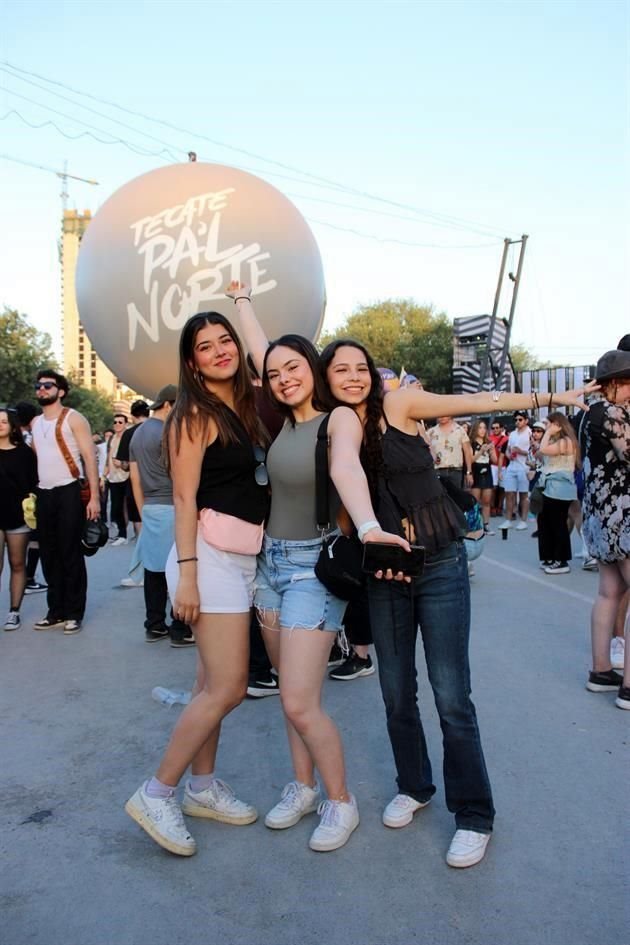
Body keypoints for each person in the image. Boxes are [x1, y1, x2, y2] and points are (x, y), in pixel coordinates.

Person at [318, 337, 595, 868]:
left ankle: (473, 814)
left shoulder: (399, 404)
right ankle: (415, 785)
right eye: (340, 370)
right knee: (396, 691)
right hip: (385, 570)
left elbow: (476, 402)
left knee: (451, 695)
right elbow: (342, 476)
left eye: (361, 368)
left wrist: (551, 398)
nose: (352, 377)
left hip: (439, 561)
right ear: (326, 378)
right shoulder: (335, 429)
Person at [231, 282, 401, 852]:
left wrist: (370, 523)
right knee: (288, 692)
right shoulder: (281, 424)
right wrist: (242, 305)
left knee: (301, 699)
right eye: (274, 373)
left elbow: (348, 470)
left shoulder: (338, 421)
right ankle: (301, 786)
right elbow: (262, 352)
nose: (283, 377)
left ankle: (340, 800)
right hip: (269, 568)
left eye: (293, 367)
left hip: (311, 568)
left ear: (314, 366)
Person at [125, 310, 269, 856]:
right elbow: (184, 498)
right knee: (230, 686)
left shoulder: (248, 404)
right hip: (209, 556)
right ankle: (156, 792)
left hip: (243, 552)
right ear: (192, 361)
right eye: (205, 347)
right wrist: (186, 575)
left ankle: (202, 789)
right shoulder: (193, 414)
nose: (219, 351)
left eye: (225, 340)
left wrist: (246, 304)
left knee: (209, 685)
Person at [30, 370, 100, 634]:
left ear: (60, 391)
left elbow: (89, 457)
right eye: (38, 386)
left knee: (70, 552)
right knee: (48, 553)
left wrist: (94, 496)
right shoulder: (36, 423)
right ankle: (55, 611)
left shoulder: (74, 418)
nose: (42, 389)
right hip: (44, 493)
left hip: (69, 490)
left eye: (48, 385)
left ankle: (74, 612)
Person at [128, 384, 194, 648]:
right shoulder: (170, 432)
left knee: (153, 570)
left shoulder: (136, 434)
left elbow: (135, 479)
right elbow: (182, 474)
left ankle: (154, 625)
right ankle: (180, 627)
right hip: (174, 506)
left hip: (151, 507)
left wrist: (143, 511)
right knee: (178, 569)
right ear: (168, 405)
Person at [581, 349, 630, 708]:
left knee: (607, 592)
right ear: (614, 384)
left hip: (598, 515)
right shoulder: (614, 413)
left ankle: (601, 671)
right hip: (624, 513)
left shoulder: (588, 414)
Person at [0, 406, 38, 630]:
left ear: (13, 425)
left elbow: (33, 484)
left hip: (18, 516)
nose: (0, 424)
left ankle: (14, 611)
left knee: (17, 563)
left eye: (4, 421)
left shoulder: (24, 453)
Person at [536, 412, 579, 574]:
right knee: (545, 522)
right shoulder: (558, 441)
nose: (546, 427)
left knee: (557, 523)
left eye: (549, 424)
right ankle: (549, 556)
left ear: (558, 425)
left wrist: (547, 433)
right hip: (550, 486)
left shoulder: (567, 442)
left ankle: (561, 560)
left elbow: (544, 450)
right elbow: (541, 455)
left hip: (561, 487)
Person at [498, 411, 531, 530]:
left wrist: (520, 451)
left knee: (523, 494)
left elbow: (533, 452)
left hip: (524, 467)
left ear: (526, 420)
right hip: (512, 466)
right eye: (516, 420)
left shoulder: (530, 433)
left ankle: (523, 520)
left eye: (520, 419)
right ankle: (508, 520)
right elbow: (507, 450)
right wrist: (509, 455)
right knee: (509, 493)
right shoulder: (512, 434)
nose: (517, 422)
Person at [427, 415, 473, 490]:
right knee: (438, 499)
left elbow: (467, 452)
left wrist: (469, 472)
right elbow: (425, 450)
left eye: (444, 413)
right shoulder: (430, 432)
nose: (442, 416)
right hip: (437, 472)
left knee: (455, 499)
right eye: (439, 414)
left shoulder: (460, 430)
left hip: (456, 472)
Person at [468, 419, 497, 534]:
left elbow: (494, 460)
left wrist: (492, 450)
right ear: (475, 429)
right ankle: (475, 525)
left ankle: (486, 525)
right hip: (476, 470)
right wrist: (481, 451)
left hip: (487, 471)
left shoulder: (489, 441)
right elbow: (470, 460)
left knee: (487, 500)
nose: (483, 430)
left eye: (484, 428)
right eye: (480, 427)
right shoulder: (471, 443)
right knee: (475, 501)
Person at [104, 414, 129, 545]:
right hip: (113, 478)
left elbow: (133, 457)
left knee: (127, 507)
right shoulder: (112, 438)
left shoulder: (128, 437)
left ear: (125, 423)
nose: (117, 424)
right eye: (115, 422)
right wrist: (103, 475)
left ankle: (124, 535)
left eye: (120, 422)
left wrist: (123, 464)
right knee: (115, 507)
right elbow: (108, 458)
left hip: (126, 476)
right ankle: (121, 534)